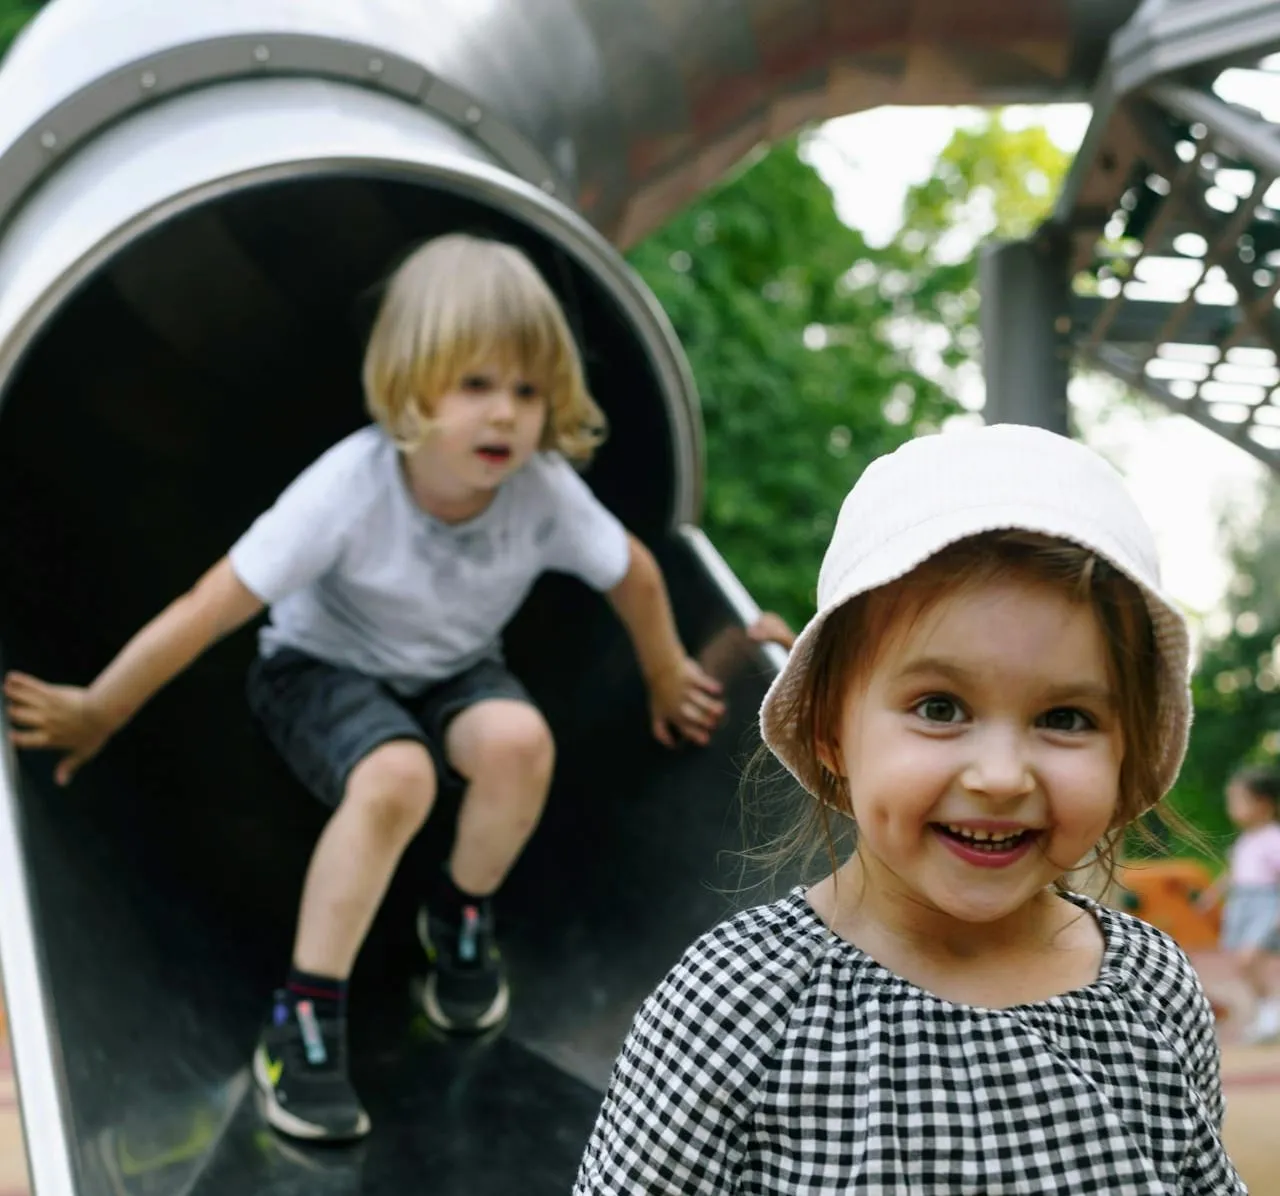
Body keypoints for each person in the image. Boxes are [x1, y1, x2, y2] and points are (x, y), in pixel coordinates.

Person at [3, 233, 726, 1144]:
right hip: (319, 665)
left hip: (453, 666)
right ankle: (301, 1027)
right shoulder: (351, 486)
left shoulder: (540, 491)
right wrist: (99, 708)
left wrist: (668, 675)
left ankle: (458, 921)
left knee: (518, 744)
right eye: (476, 385)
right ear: (412, 387)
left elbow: (637, 574)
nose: (505, 414)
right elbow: (210, 605)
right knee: (398, 779)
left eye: (528, 390)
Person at [574, 423, 1245, 1194]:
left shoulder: (1149, 989)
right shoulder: (738, 1002)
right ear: (830, 729)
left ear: (1127, 749)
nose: (1000, 777)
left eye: (1065, 718)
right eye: (939, 706)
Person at [1198, 765, 1280, 1043]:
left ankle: (1270, 1011)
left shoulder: (1273, 838)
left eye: (1239, 801)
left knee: (1248, 959)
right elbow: (1234, 873)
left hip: (1264, 902)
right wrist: (1212, 895)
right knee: (1240, 961)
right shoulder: (1245, 840)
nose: (1232, 808)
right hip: (1241, 903)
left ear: (1263, 805)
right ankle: (1265, 1011)